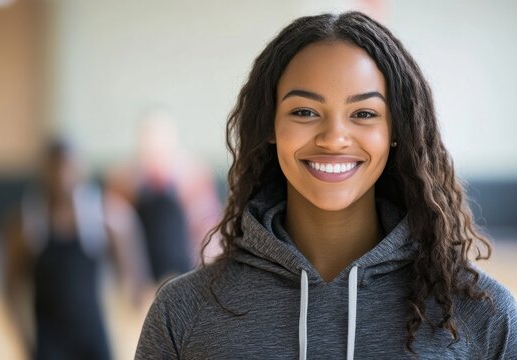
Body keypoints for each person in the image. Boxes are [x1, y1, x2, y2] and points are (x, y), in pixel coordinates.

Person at [136, 12, 517, 359]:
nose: (334, 138)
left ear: (396, 130)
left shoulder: (483, 316)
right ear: (271, 125)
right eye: (305, 112)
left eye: (364, 114)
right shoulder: (183, 311)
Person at [3, 140, 150, 360]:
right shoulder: (27, 225)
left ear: (82, 169)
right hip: (48, 342)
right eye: (56, 167)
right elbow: (11, 289)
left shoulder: (102, 217)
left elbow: (135, 272)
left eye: (69, 167)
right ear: (43, 171)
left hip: (92, 340)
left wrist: (134, 293)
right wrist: (24, 340)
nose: (62, 175)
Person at [106, 111, 222, 282]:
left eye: (160, 139)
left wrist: (201, 278)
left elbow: (209, 228)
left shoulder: (193, 176)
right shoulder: (123, 180)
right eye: (149, 140)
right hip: (141, 274)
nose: (155, 146)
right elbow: (117, 234)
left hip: (186, 269)